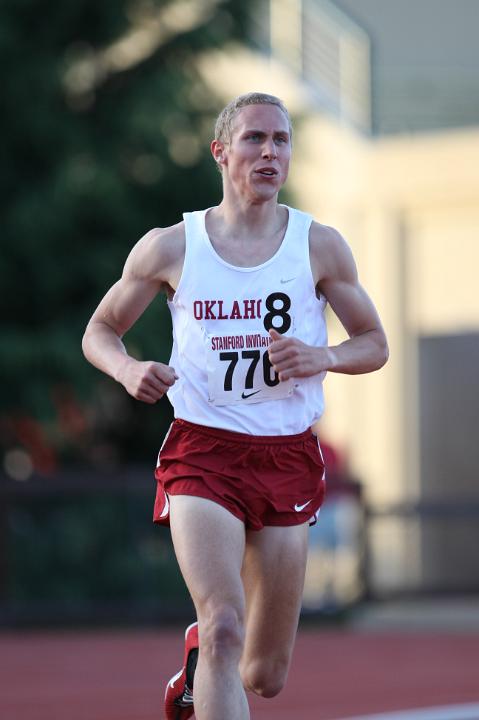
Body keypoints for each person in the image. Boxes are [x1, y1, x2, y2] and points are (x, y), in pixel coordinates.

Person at [82, 92, 388, 720]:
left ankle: (200, 670)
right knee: (223, 623)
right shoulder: (171, 246)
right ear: (222, 152)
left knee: (264, 674)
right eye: (254, 139)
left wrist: (321, 356)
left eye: (281, 140)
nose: (270, 152)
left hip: (287, 455)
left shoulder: (319, 246)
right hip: (204, 450)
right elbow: (100, 331)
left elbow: (375, 343)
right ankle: (209, 647)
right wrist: (128, 368)